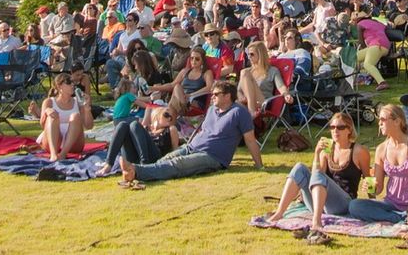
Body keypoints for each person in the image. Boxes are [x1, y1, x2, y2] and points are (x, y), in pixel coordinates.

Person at [255, 109, 372, 243]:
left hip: (343, 204)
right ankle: (279, 213)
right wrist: (317, 153)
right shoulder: (328, 147)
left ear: (349, 130)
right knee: (300, 167)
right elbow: (317, 177)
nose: (335, 131)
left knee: (318, 174)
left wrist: (372, 201)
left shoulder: (359, 151)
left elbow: (368, 178)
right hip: (321, 203)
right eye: (332, 127)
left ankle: (316, 222)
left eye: (340, 127)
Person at [118, 78, 261, 187]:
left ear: (227, 96)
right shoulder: (212, 109)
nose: (212, 97)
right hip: (191, 147)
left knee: (177, 164)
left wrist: (259, 165)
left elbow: (250, 139)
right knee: (166, 159)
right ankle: (136, 172)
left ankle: (135, 171)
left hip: (213, 157)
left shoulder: (239, 112)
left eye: (216, 94)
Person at [347, 101, 408, 228]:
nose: (379, 123)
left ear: (397, 121)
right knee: (355, 206)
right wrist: (370, 186)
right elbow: (378, 189)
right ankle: (404, 218)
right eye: (379, 120)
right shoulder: (381, 149)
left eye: (383, 119)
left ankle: (400, 217)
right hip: (392, 204)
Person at [38, 73, 91, 163]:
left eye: (73, 82)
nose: (72, 85)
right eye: (69, 82)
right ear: (59, 86)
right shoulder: (49, 102)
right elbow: (43, 125)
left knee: (75, 116)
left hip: (74, 143)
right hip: (53, 139)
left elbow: (89, 126)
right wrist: (47, 112)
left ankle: (63, 154)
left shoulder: (78, 102)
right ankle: (54, 155)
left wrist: (87, 110)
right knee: (53, 116)